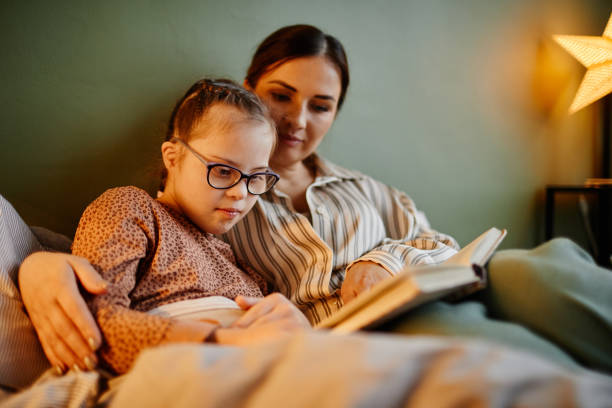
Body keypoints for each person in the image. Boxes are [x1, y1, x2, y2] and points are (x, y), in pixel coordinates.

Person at [19, 25, 612, 374]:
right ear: (251, 93)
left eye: (321, 105)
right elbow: (118, 281)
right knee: (512, 361)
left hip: (450, 286)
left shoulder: (364, 188)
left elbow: (441, 242)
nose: (298, 120)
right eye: (280, 95)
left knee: (542, 264)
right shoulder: (224, 210)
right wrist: (39, 267)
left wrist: (382, 260)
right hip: (367, 333)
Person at [27, 78, 310, 375]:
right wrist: (228, 341)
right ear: (173, 158)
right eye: (224, 171)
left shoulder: (239, 264)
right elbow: (97, 321)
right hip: (189, 372)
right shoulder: (131, 208)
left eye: (256, 178)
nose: (241, 193)